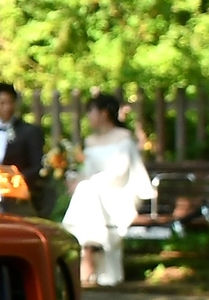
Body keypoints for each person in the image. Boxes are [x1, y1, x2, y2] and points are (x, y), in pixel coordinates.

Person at [62, 92, 152, 287]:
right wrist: (74, 178)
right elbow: (87, 171)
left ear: (103, 114)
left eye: (91, 112)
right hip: (94, 196)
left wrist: (87, 183)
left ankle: (87, 254)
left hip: (119, 193)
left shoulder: (124, 139)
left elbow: (119, 173)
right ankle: (90, 248)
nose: (89, 117)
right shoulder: (90, 141)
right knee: (87, 192)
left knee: (87, 191)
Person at [0, 83, 45, 190]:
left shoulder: (29, 131)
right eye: (2, 103)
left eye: (10, 102)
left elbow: (37, 166)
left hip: (20, 192)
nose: (7, 107)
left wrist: (17, 180)